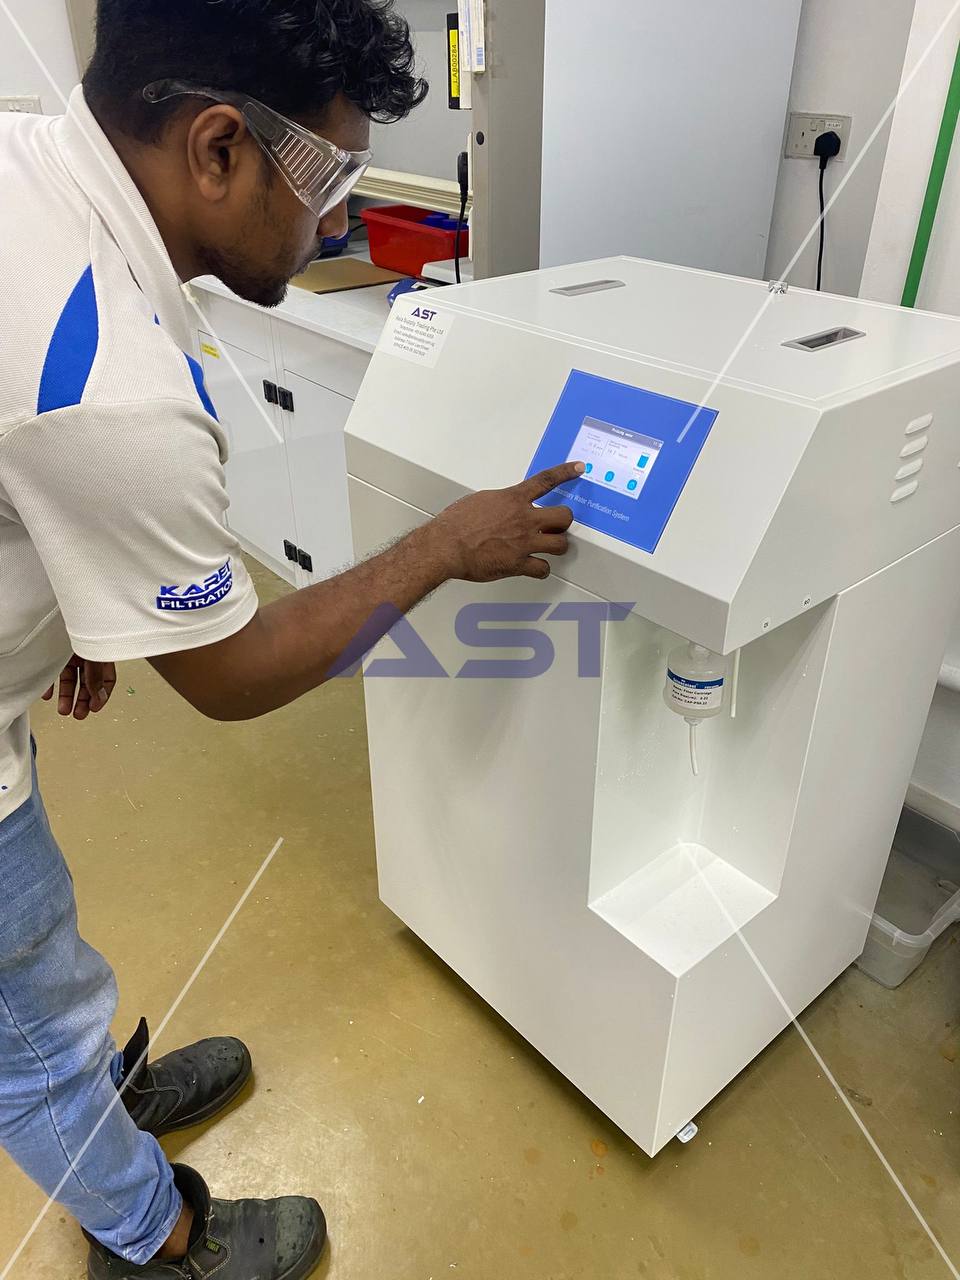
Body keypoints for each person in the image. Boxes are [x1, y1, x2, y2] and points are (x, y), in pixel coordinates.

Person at [0, 1, 580, 1277]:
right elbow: (234, 674)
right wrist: (446, 542)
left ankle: (98, 1094)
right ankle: (156, 1236)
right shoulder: (112, 389)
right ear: (217, 148)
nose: (334, 220)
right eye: (331, 178)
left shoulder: (32, 168)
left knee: (41, 959)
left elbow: (31, 462)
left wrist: (76, 587)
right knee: (20, 1009)